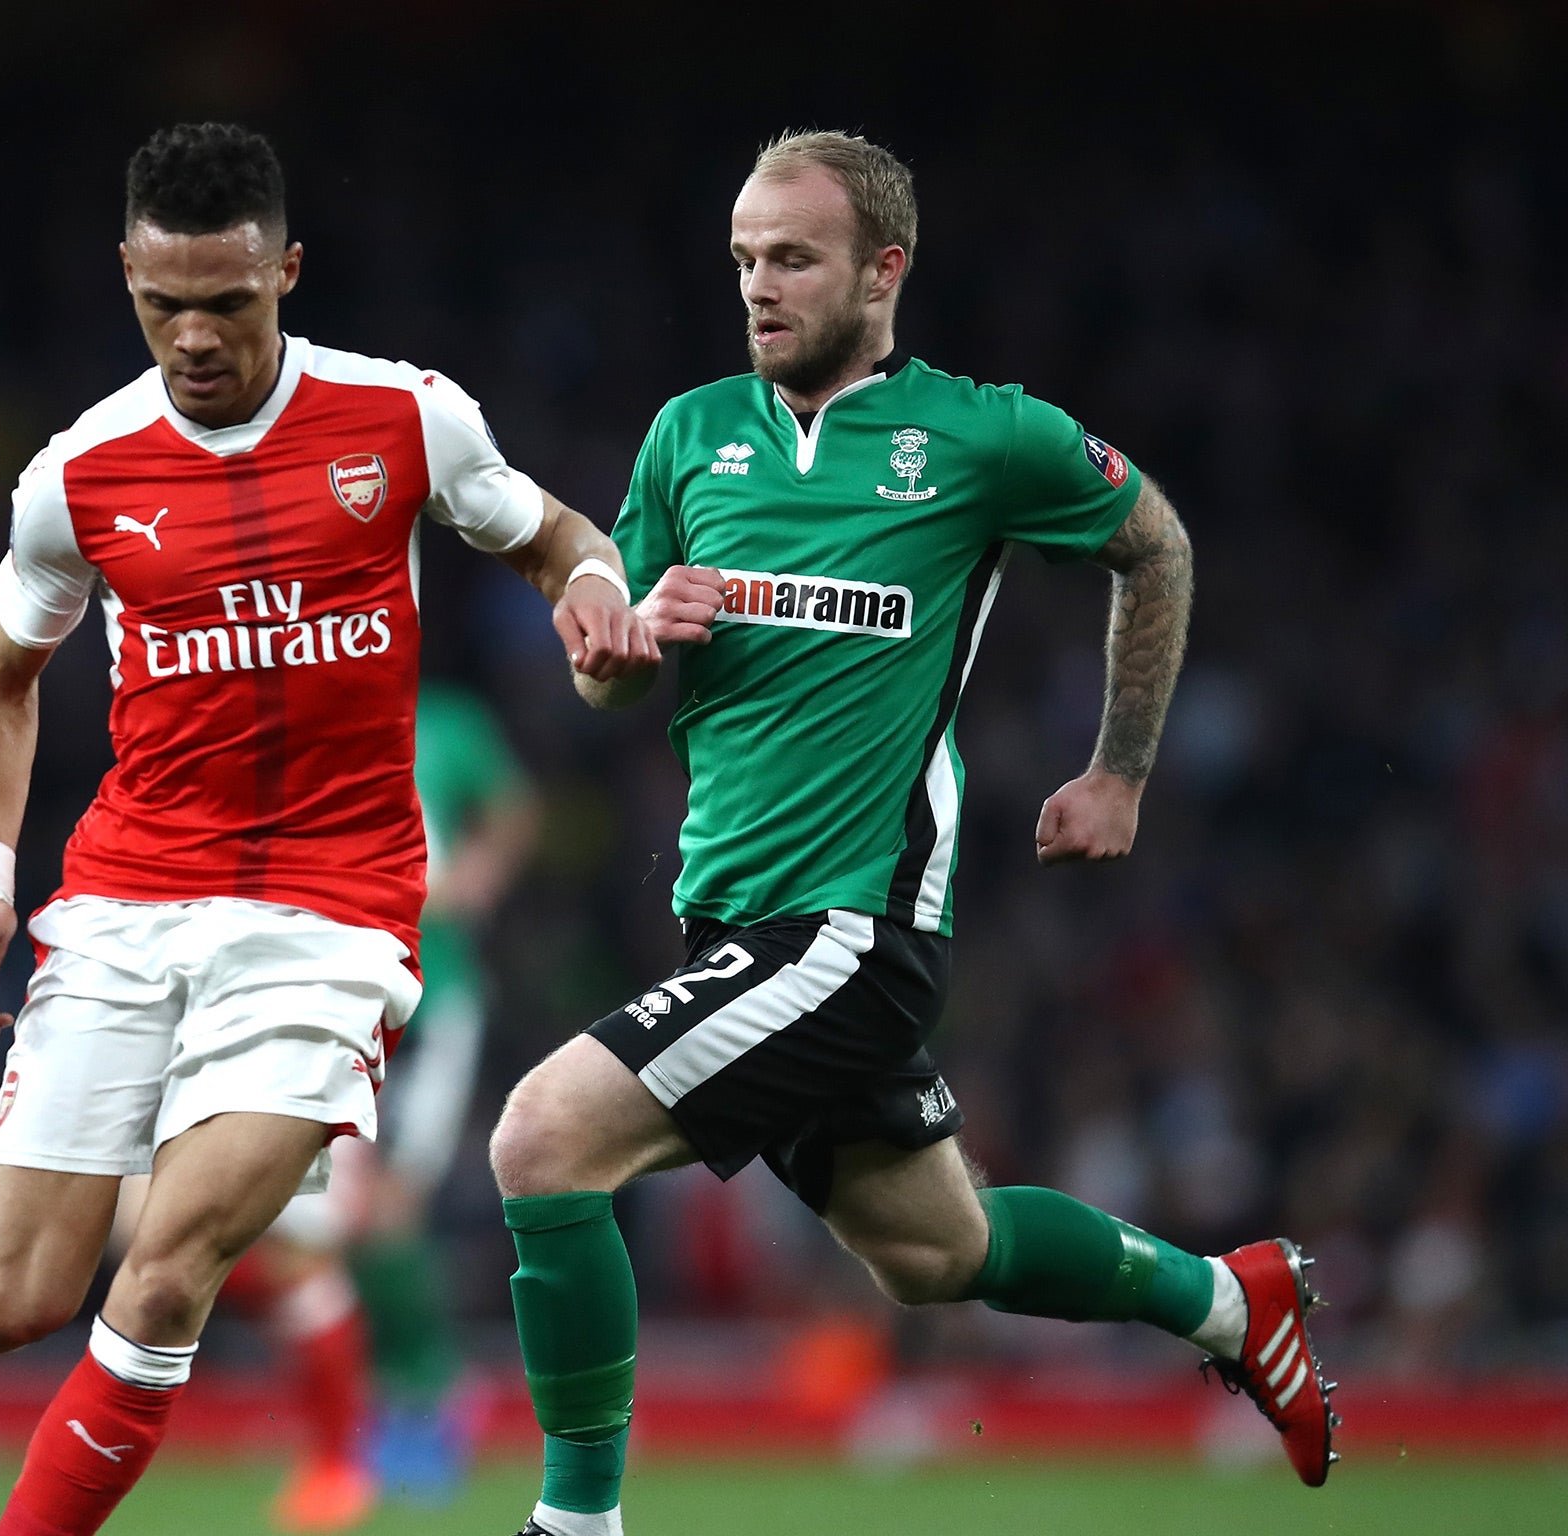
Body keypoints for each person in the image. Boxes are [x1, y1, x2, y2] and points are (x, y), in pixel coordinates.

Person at [0, 121, 657, 1536]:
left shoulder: (403, 419)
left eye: (229, 301)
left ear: (288, 273)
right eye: (163, 304)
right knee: (25, 1292)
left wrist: (598, 588)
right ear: (126, 279)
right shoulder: (77, 475)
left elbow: (555, 533)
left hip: (335, 917)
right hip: (129, 900)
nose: (195, 335)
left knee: (172, 1264)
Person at [486, 129, 1338, 1536]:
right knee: (941, 1250)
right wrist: (627, 646)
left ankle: (577, 1526)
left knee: (540, 1140)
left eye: (794, 258)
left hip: (851, 928)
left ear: (884, 270)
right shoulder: (688, 433)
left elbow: (1157, 542)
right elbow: (601, 661)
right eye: (746, 259)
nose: (759, 286)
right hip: (734, 920)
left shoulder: (979, 433)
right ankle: (1226, 1300)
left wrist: (1121, 768)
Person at [229, 678, 538, 1530]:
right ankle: (387, 1402)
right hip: (338, 1008)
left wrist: (477, 873)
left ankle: (431, 1393)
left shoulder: (447, 719)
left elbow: (513, 808)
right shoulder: (308, 722)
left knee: (388, 1210)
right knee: (325, 1220)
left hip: (435, 1006)